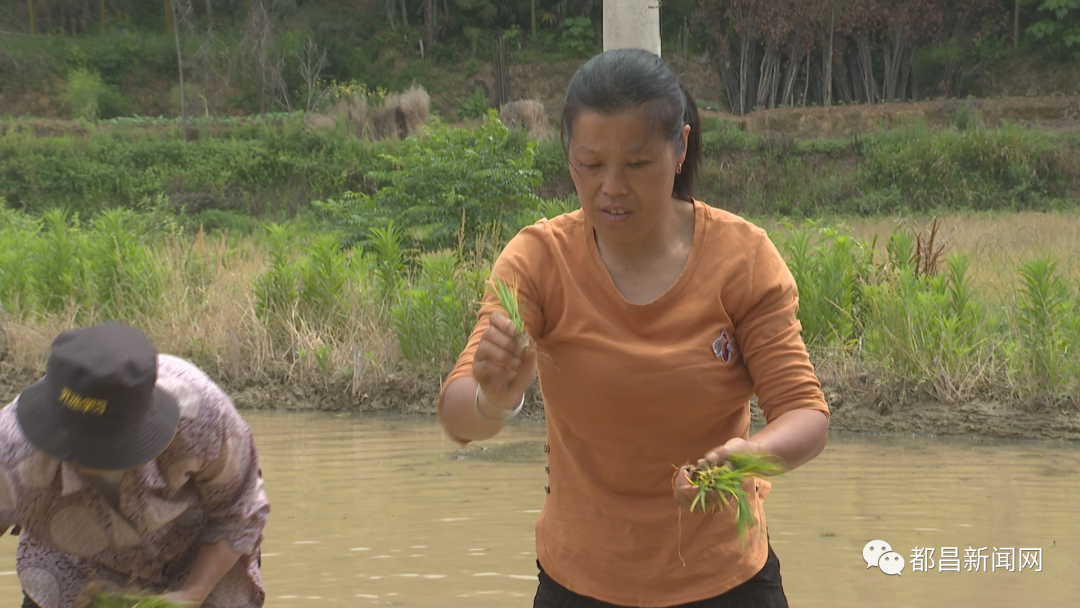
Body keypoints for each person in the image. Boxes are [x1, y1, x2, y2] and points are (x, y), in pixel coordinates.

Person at [439, 49, 830, 608]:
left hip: (726, 583)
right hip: (579, 584)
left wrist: (746, 457)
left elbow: (805, 415)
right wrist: (495, 400)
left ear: (680, 150)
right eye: (590, 165)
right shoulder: (539, 260)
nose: (611, 188)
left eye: (638, 164)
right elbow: (459, 416)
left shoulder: (742, 258)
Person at [0, 323, 269, 608]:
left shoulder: (202, 416)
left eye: (108, 449)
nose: (94, 462)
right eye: (81, 450)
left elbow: (240, 513)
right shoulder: (10, 451)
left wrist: (191, 594)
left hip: (192, 556)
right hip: (70, 569)